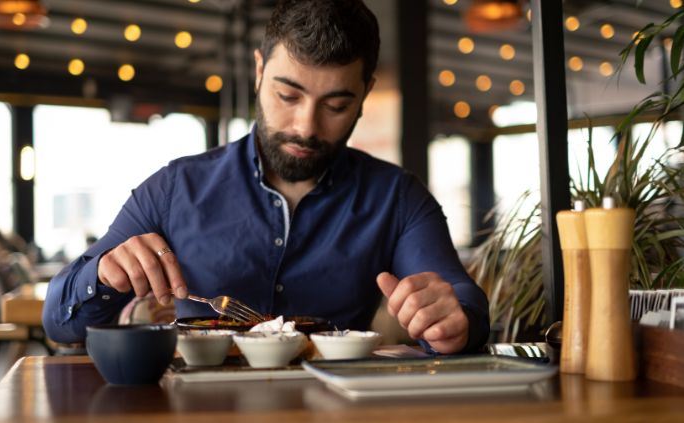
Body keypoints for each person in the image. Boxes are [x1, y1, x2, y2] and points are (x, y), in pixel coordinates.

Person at [43, 0, 490, 354]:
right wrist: (103, 274)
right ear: (259, 72)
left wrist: (453, 323)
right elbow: (59, 322)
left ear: (365, 93)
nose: (306, 126)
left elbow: (462, 300)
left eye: (335, 106)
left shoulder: (398, 198)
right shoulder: (175, 189)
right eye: (287, 95)